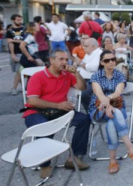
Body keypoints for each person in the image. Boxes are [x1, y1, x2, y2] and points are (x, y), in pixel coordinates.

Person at [23, 49, 90, 178]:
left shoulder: (67, 75)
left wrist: (76, 73)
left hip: (60, 111)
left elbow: (82, 87)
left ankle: (73, 158)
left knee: (84, 120)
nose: (64, 62)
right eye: (61, 59)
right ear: (51, 60)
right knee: (45, 126)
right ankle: (44, 164)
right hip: (36, 111)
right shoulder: (38, 76)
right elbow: (32, 100)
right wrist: (57, 105)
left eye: (66, 59)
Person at [89, 50, 133, 174]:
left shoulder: (119, 75)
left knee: (112, 122)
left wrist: (108, 102)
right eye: (107, 60)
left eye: (113, 59)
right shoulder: (96, 76)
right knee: (116, 114)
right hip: (98, 109)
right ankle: (130, 148)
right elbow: (99, 94)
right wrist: (108, 105)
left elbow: (118, 92)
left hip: (116, 105)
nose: (111, 62)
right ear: (102, 62)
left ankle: (112, 160)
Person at [79, 38, 103, 110]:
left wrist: (81, 64)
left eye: (86, 46)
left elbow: (93, 67)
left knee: (84, 94)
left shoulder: (99, 53)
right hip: (83, 79)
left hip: (93, 80)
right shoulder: (88, 54)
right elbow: (83, 65)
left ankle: (92, 112)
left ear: (93, 46)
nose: (83, 47)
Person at [6, 14, 24, 96]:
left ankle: (14, 88)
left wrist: (13, 40)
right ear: (13, 20)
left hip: (23, 52)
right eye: (18, 20)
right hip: (13, 53)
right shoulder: (9, 31)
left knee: (18, 71)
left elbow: (24, 41)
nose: (20, 21)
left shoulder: (24, 29)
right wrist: (13, 54)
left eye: (20, 20)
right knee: (17, 71)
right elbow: (9, 43)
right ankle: (23, 86)